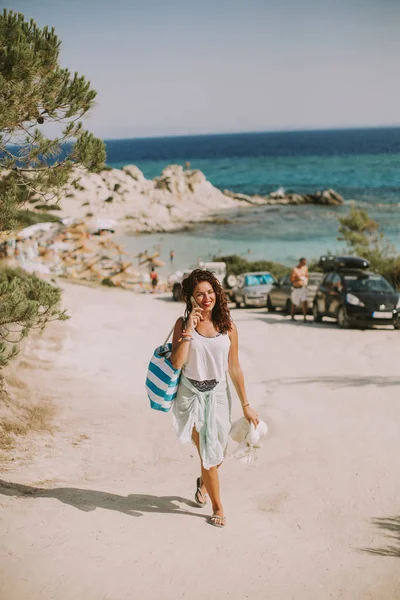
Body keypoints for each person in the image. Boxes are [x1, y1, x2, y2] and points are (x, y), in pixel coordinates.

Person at [170, 269, 259, 528]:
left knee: (217, 453)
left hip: (219, 394)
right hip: (191, 396)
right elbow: (177, 362)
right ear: (191, 299)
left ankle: (203, 482)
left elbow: (234, 368)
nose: (206, 297)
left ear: (217, 293)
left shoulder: (228, 327)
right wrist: (188, 328)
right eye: (199, 294)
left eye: (210, 292)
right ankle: (218, 506)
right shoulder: (182, 324)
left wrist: (246, 406)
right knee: (208, 451)